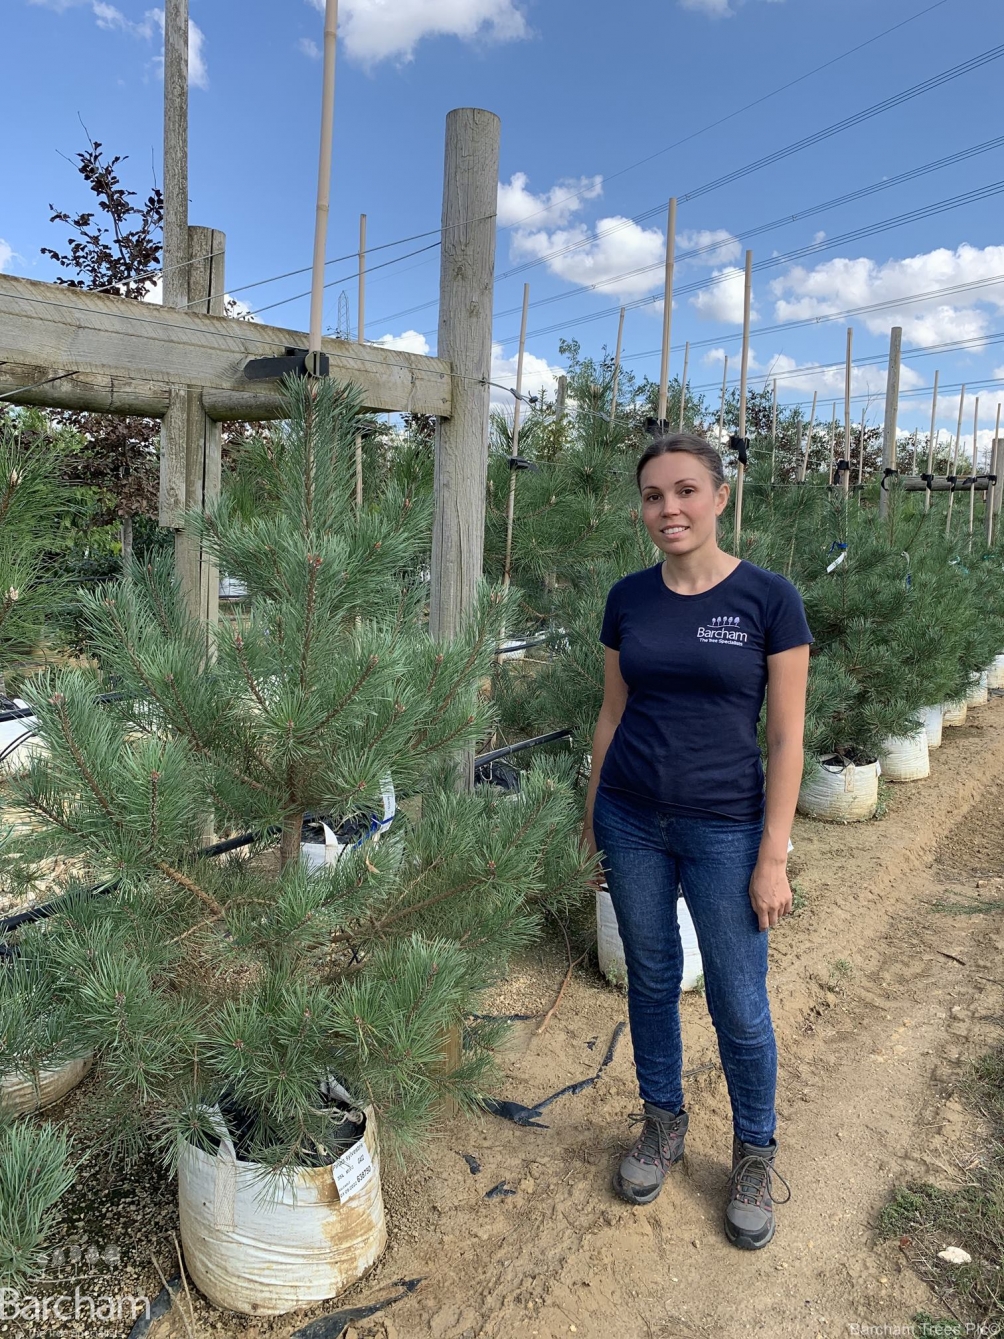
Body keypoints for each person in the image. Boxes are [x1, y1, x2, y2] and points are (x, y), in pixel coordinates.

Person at [583, 432, 812, 1251]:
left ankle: (754, 1153)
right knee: (650, 979)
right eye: (653, 495)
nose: (668, 508)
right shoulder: (628, 599)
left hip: (727, 829)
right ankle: (662, 1121)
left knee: (738, 1000)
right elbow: (612, 714)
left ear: (720, 496)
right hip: (631, 820)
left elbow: (785, 738)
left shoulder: (768, 599)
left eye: (685, 490)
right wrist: (592, 821)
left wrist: (773, 854)